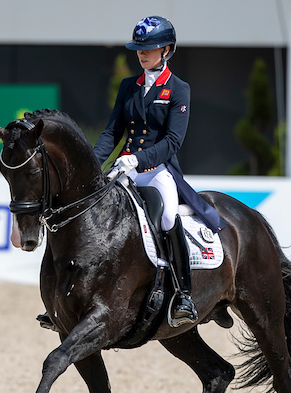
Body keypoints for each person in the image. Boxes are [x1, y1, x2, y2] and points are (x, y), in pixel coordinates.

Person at [93, 15, 226, 328]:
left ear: (166, 50)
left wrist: (138, 160)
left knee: (167, 217)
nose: (141, 53)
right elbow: (112, 132)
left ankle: (183, 294)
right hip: (124, 167)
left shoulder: (179, 89)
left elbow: (173, 141)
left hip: (157, 170)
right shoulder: (129, 86)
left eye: (148, 48)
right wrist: (92, 164)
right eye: (139, 48)